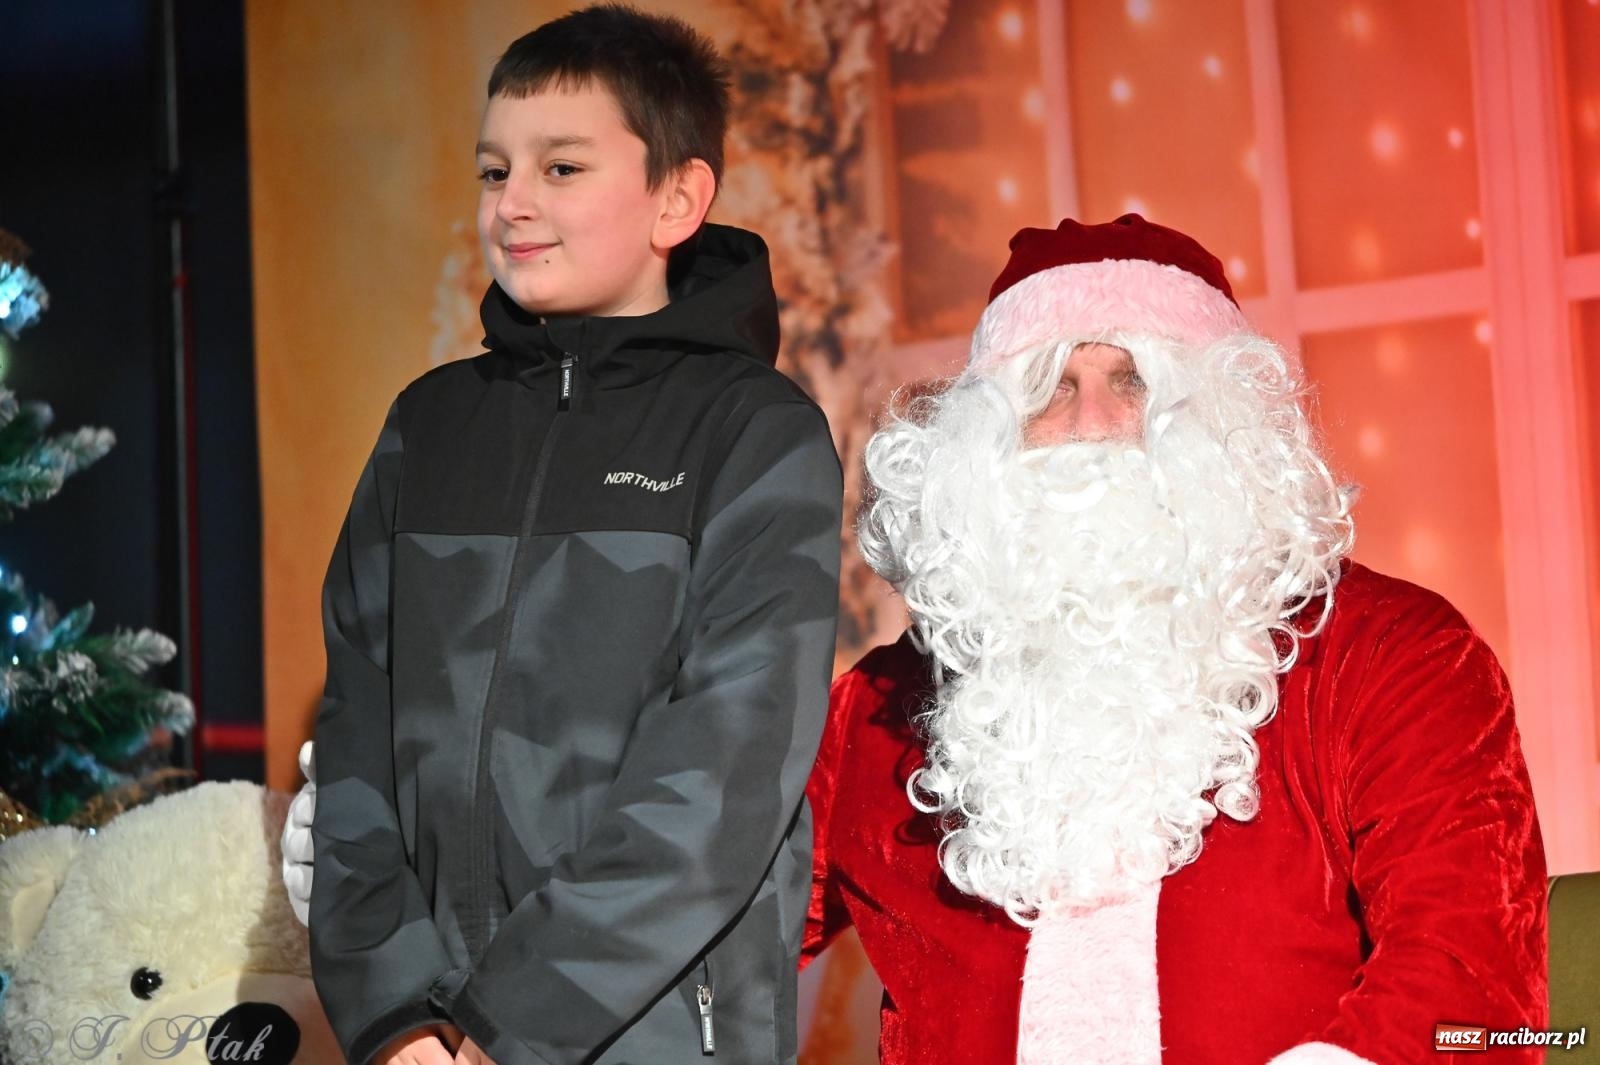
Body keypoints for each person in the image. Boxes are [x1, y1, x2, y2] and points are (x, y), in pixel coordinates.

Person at [802, 214, 1547, 1063]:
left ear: (1224, 425)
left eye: (1135, 380)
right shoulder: (881, 714)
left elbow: (1474, 990)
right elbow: (705, 928)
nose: (1090, 422)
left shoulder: (1395, 657)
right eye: (1048, 385)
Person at [302, 5, 842, 1064]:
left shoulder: (755, 433)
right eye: (494, 171)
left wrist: (511, 1027)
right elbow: (355, 725)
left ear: (677, 198)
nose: (513, 204)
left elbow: (726, 773)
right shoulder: (428, 424)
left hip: (649, 1033)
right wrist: (397, 1014)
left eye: (561, 169)